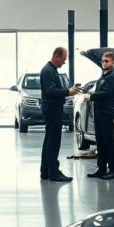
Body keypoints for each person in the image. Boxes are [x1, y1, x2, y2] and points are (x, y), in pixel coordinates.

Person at [40, 47, 81, 182]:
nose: (64, 62)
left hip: (52, 108)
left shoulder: (51, 70)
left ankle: (46, 171)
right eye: (63, 59)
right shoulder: (48, 71)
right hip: (52, 109)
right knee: (53, 141)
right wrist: (68, 92)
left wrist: (67, 91)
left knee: (49, 140)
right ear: (56, 56)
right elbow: (51, 91)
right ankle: (53, 172)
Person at [83, 51, 114, 180]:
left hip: (106, 111)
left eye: (107, 61)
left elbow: (106, 93)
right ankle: (101, 168)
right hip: (99, 111)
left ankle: (113, 170)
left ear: (113, 62)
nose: (104, 63)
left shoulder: (113, 77)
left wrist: (91, 96)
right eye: (103, 61)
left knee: (108, 141)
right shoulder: (104, 75)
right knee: (100, 141)